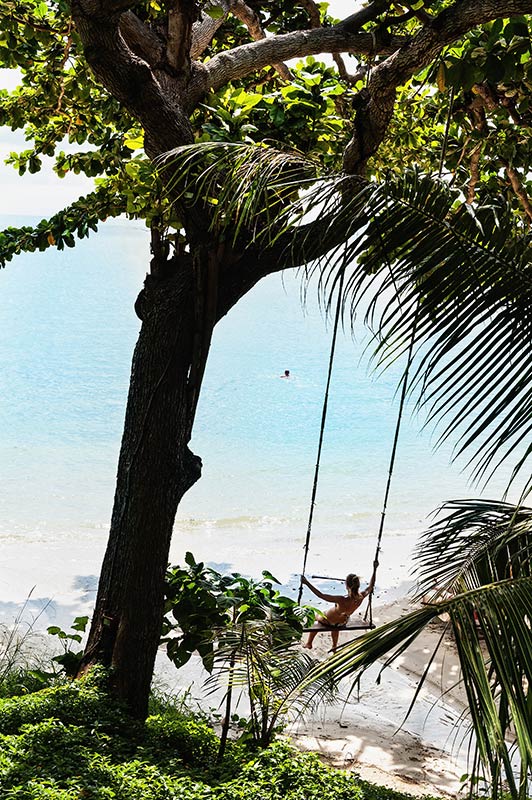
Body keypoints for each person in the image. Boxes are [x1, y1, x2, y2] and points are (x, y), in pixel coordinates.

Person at [301, 568, 377, 653]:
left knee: (316, 618)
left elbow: (321, 595)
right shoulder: (361, 597)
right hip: (343, 622)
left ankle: (309, 643)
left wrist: (307, 583)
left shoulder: (342, 599)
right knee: (335, 626)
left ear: (347, 585)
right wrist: (374, 570)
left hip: (328, 619)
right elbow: (371, 586)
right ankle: (334, 646)